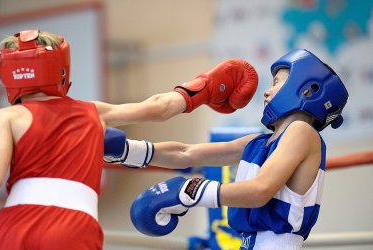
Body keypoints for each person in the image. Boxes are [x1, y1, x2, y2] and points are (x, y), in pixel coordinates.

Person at [0, 29, 258, 249]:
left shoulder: (7, 116)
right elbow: (160, 108)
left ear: (7, 76)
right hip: (75, 226)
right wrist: (206, 86)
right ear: (61, 70)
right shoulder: (93, 112)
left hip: (17, 222)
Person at [106, 49, 349, 249]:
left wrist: (191, 191)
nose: (266, 91)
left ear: (307, 90)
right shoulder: (258, 142)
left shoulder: (302, 132)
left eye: (276, 83)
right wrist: (127, 151)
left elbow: (260, 190)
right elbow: (185, 153)